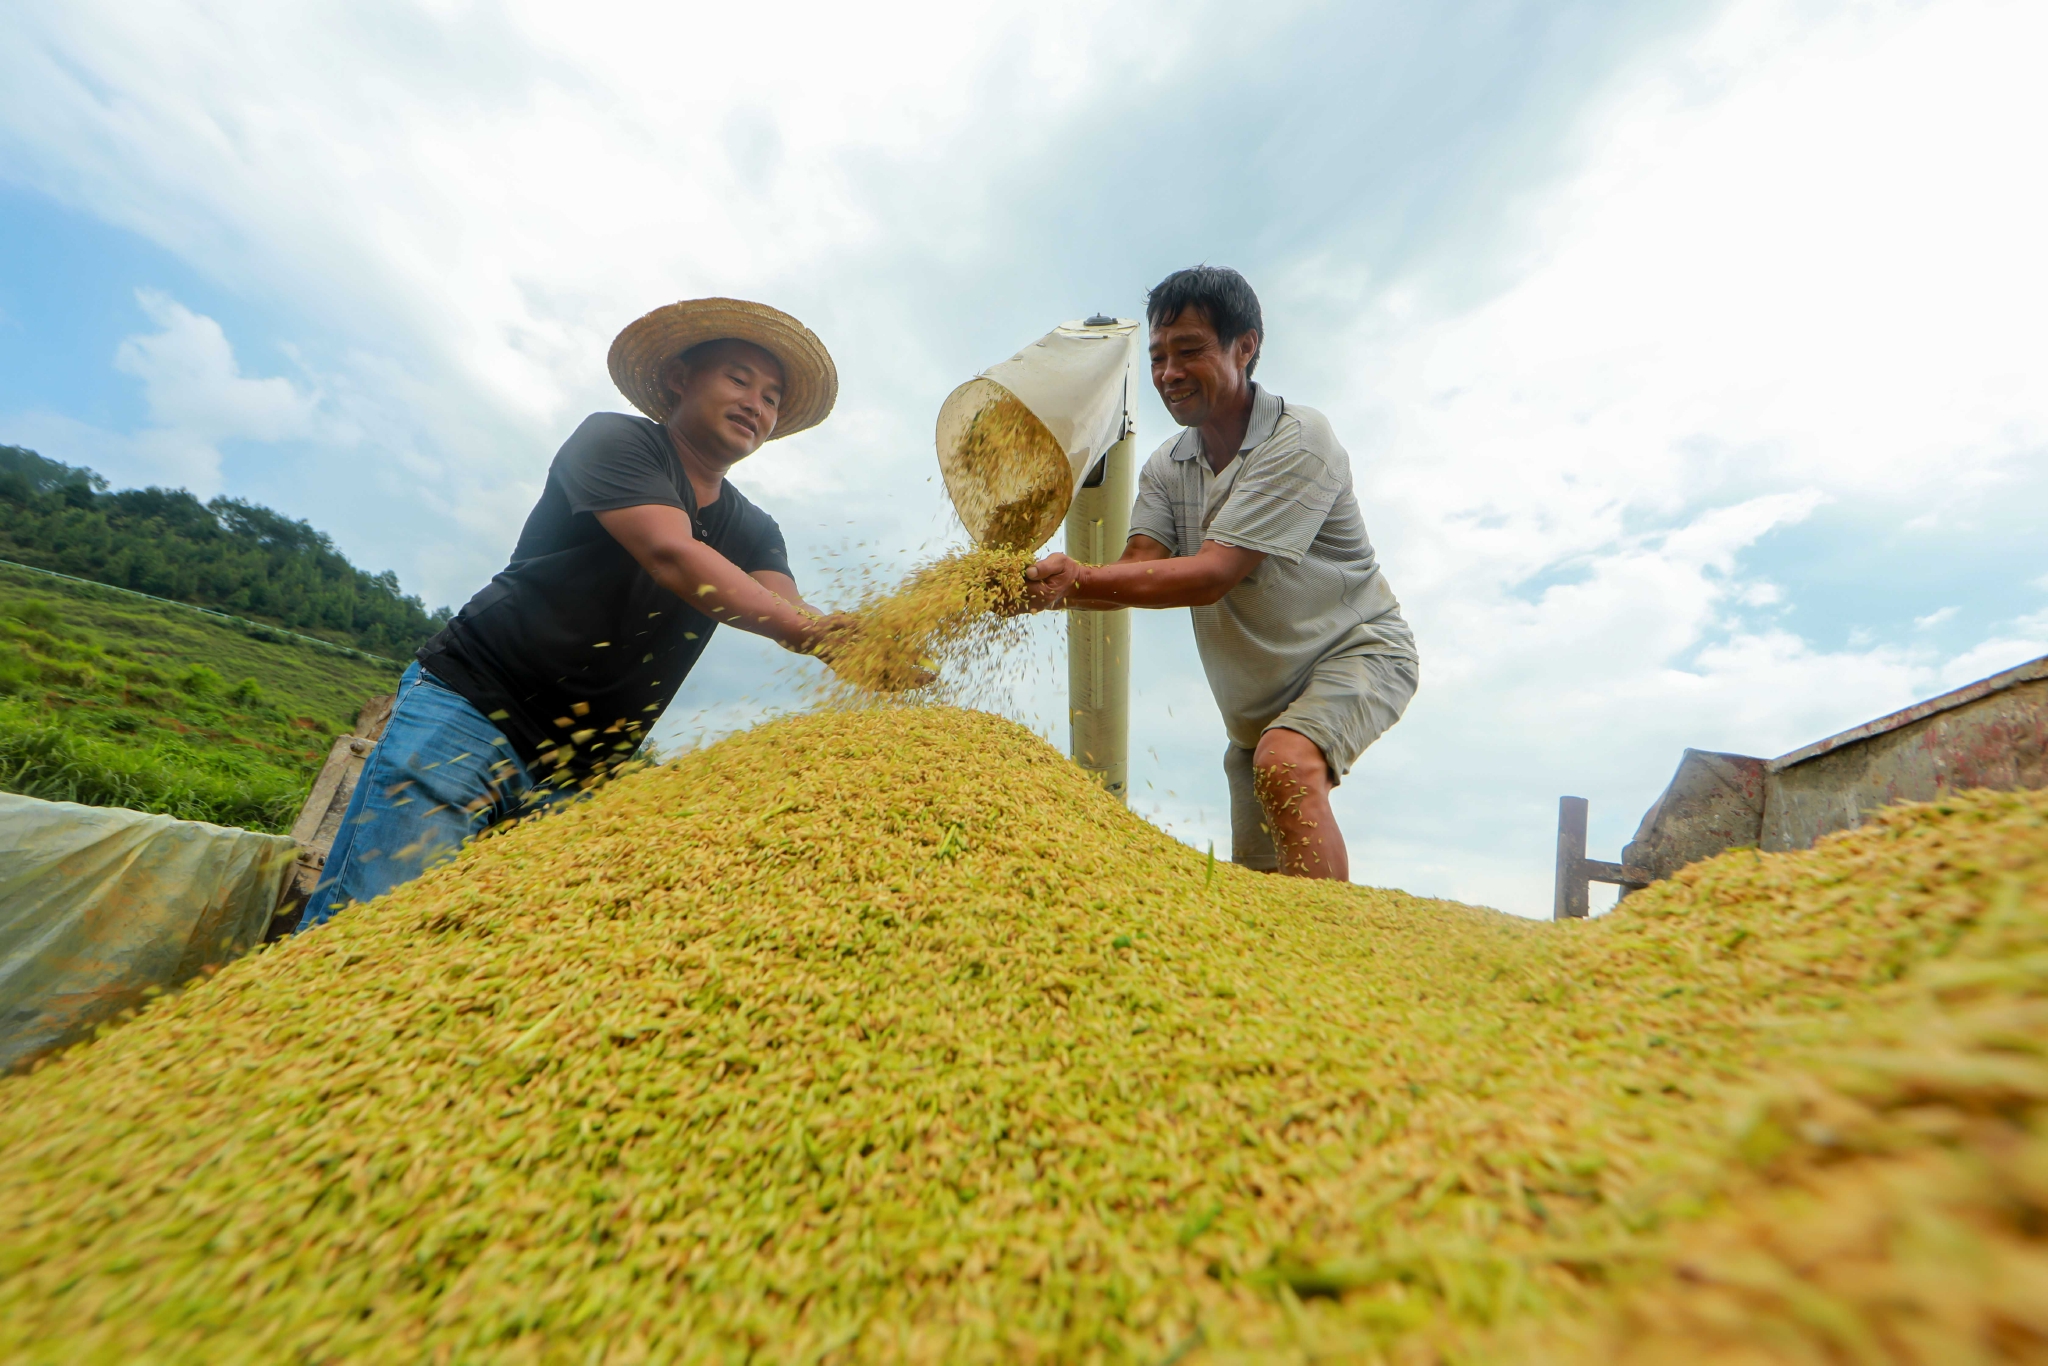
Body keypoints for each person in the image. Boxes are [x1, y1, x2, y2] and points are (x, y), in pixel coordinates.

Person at [299, 298, 855, 930]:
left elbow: (787, 608)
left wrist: (869, 640)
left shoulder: (754, 526)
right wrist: (815, 635)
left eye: (773, 397)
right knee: (365, 927)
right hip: (474, 713)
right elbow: (673, 554)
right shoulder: (616, 441)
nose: (756, 404)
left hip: (581, 773)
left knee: (476, 956)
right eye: (738, 378)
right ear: (678, 378)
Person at [1024, 267, 1417, 879]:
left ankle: (1340, 955)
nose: (1168, 373)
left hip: (1356, 652)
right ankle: (1292, 972)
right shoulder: (1167, 467)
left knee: (1287, 765)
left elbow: (1213, 574)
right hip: (1254, 714)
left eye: (1189, 351)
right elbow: (1135, 572)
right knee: (1260, 882)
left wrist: (1074, 580)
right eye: (1157, 357)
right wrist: (1033, 590)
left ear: (1246, 346)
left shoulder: (1299, 439)